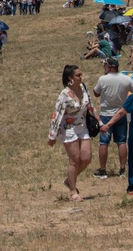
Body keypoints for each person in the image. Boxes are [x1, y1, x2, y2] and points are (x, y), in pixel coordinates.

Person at [47, 65, 93, 202]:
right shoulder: (64, 94)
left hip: (82, 126)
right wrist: (52, 135)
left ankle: (69, 180)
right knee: (75, 159)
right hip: (68, 127)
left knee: (86, 158)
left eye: (81, 75)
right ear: (70, 78)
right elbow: (57, 114)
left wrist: (100, 121)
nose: (81, 77)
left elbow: (90, 106)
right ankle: (73, 191)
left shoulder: (84, 88)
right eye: (78, 75)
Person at [91, 58, 133, 179]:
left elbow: (96, 93)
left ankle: (102, 169)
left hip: (106, 114)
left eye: (106, 65)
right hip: (121, 113)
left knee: (103, 142)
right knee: (121, 142)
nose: (104, 67)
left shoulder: (103, 79)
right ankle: (122, 169)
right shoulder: (126, 79)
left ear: (110, 67)